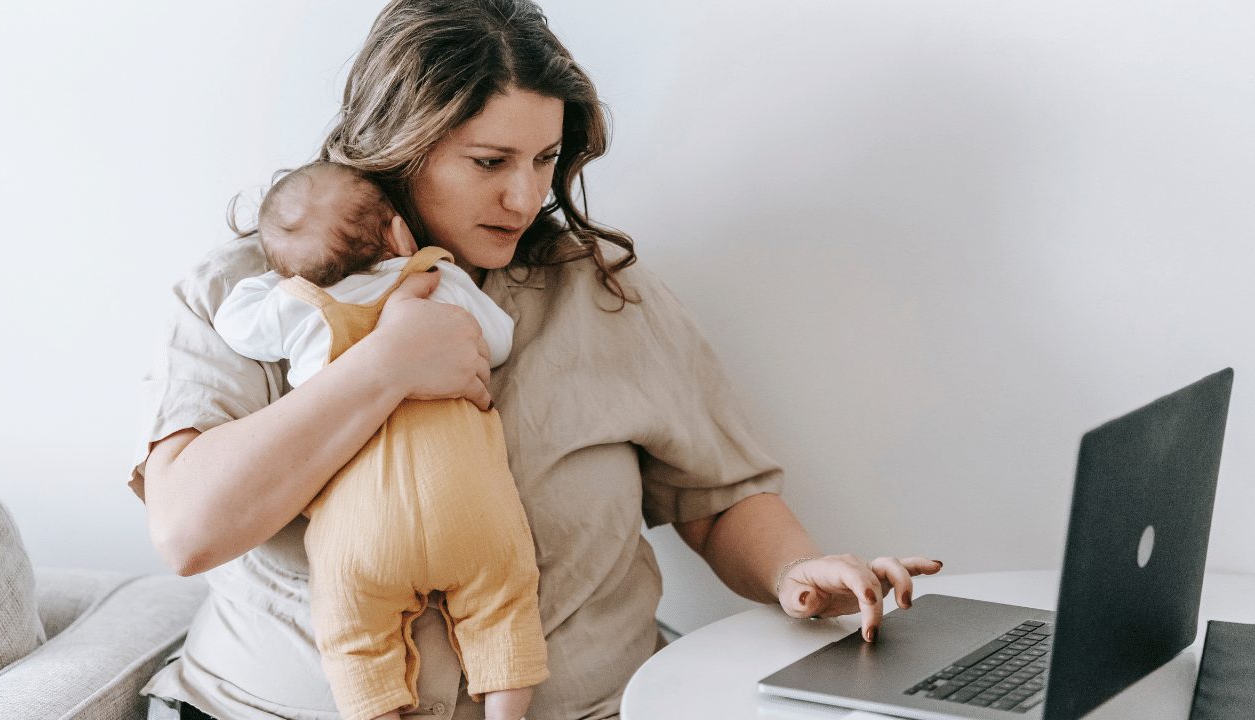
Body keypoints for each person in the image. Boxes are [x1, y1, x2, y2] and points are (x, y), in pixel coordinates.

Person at [132, 1, 943, 719]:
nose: (525, 198)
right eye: (489, 162)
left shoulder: (602, 295)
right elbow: (188, 530)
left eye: (544, 160)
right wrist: (381, 369)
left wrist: (797, 570)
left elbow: (716, 498)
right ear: (396, 146)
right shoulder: (249, 296)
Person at [212, 160, 547, 720]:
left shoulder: (300, 308)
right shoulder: (437, 280)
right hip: (467, 504)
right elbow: (498, 341)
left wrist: (282, 275)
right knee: (505, 605)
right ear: (397, 232)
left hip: (361, 530)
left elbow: (234, 321)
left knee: (354, 638)